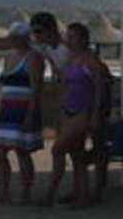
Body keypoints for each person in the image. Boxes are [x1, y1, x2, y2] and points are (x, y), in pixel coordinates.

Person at [39, 22, 106, 208]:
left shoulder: (91, 62)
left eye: (72, 37)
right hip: (67, 110)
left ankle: (53, 191)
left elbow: (99, 90)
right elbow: (64, 84)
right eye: (67, 36)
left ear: (83, 39)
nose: (68, 40)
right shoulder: (70, 59)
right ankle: (81, 195)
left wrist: (95, 114)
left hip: (83, 112)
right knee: (77, 155)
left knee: (58, 148)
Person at [0, 21, 47, 204]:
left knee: (22, 151)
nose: (12, 40)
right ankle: (3, 190)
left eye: (15, 37)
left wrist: (31, 113)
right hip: (7, 110)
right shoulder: (9, 56)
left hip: (23, 109)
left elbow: (36, 88)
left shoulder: (34, 57)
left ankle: (25, 192)